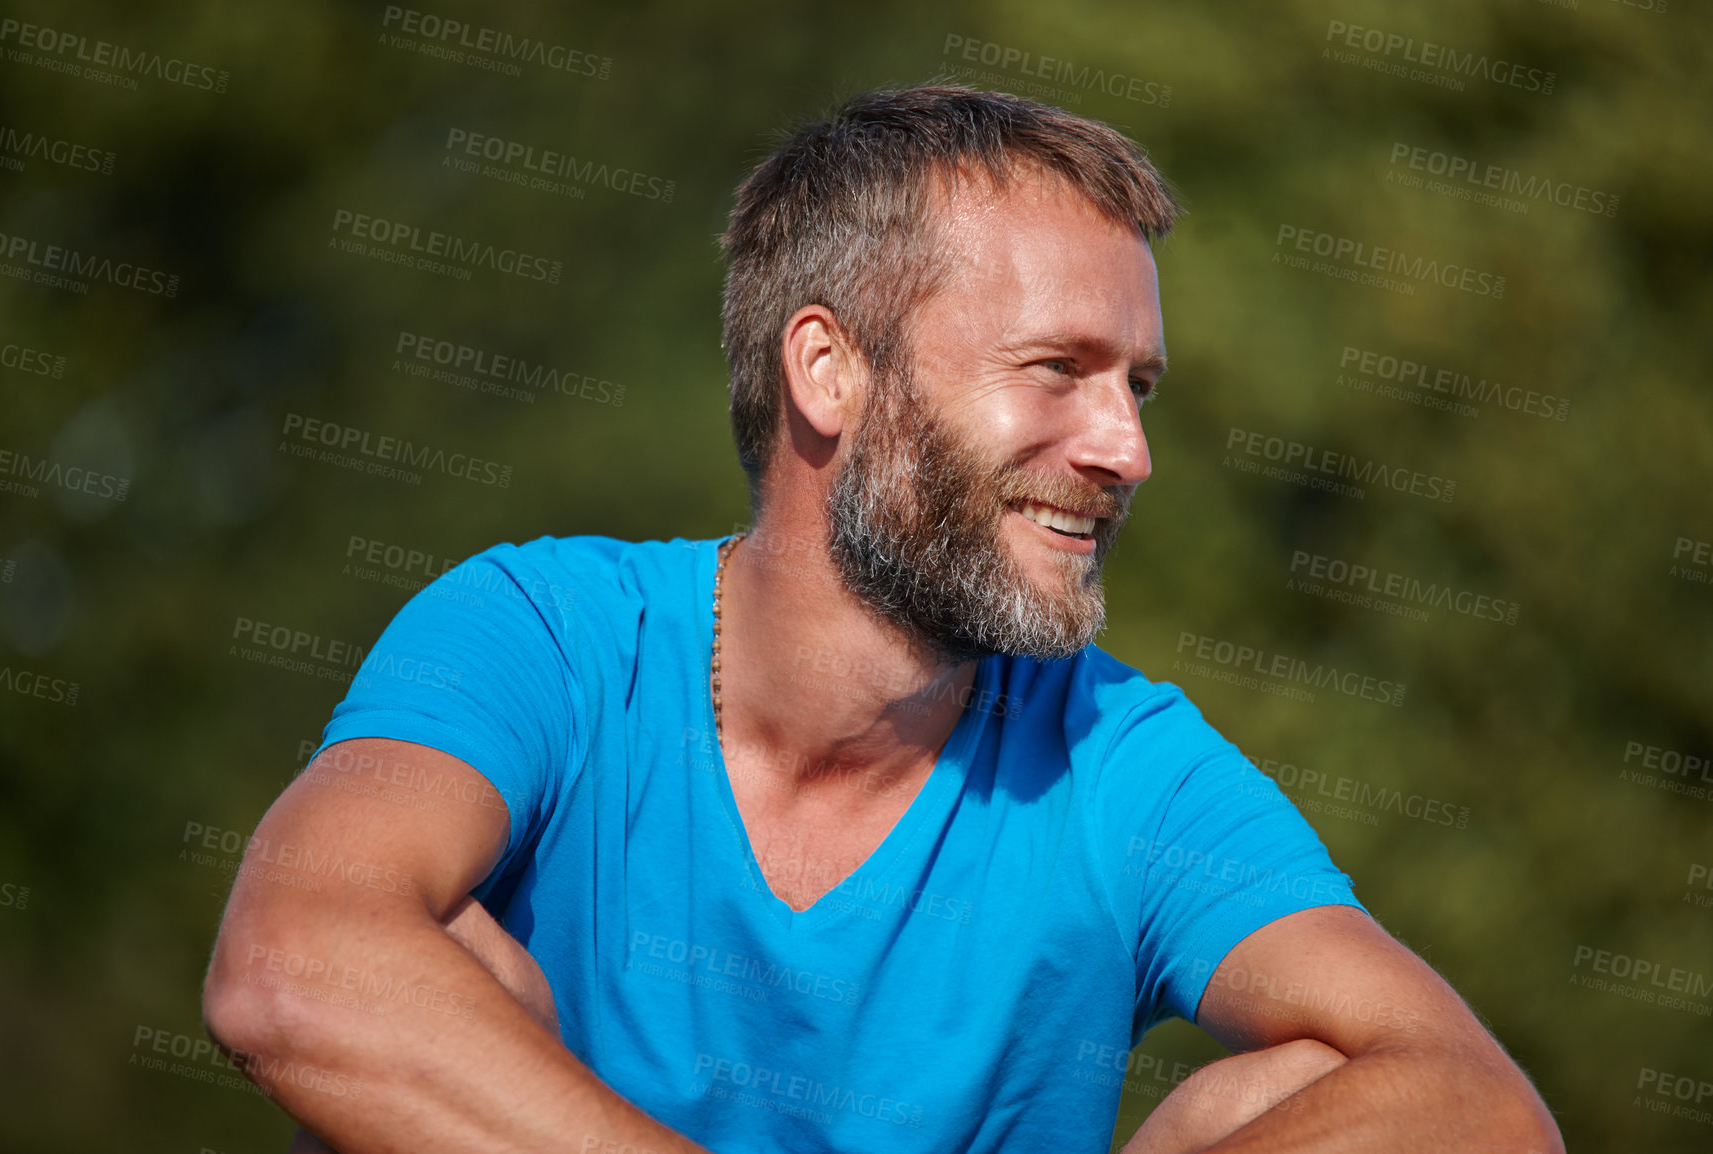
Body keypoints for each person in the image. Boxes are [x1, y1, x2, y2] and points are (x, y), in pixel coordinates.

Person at [202, 85, 1563, 1154]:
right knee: (435, 957)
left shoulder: (1123, 763)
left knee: (1318, 1083)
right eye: (1059, 370)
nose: (1126, 450)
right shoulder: (543, 634)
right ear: (828, 368)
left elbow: (1480, 1109)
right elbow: (287, 967)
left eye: (1137, 388)